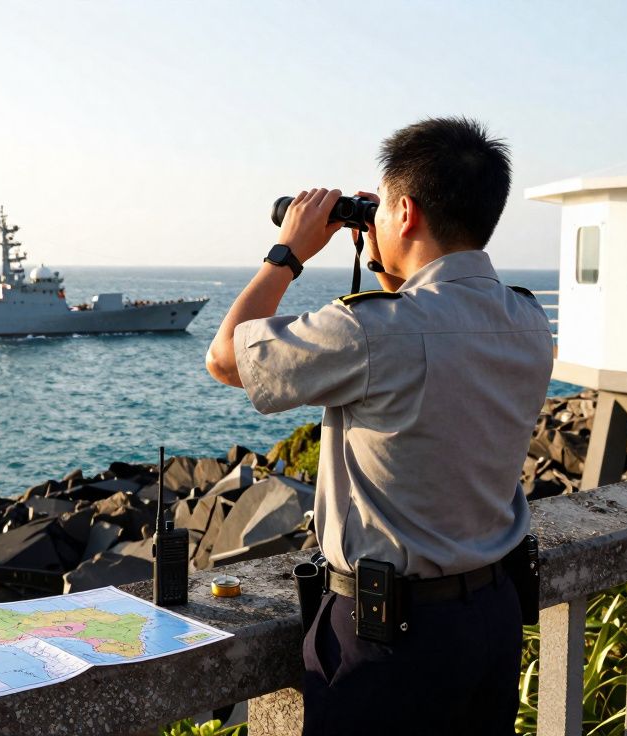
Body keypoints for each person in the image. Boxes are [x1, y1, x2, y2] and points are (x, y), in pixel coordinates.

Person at [205, 117, 552, 734]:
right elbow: (431, 333)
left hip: (387, 640)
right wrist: (392, 260)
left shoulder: (372, 330)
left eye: (383, 210)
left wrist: (288, 252)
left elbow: (226, 358)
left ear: (407, 212)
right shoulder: (527, 320)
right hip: (492, 620)